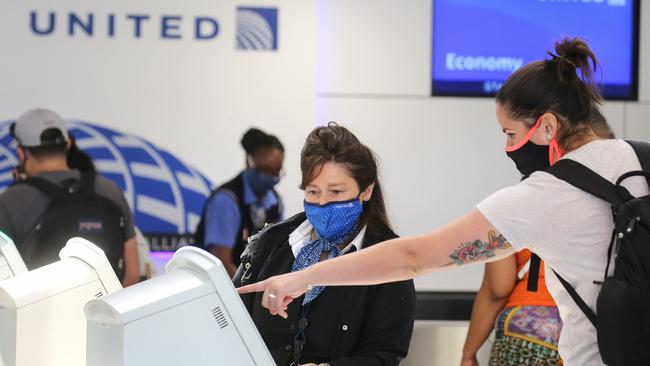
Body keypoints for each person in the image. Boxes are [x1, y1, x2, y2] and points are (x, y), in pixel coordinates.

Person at [237, 38, 645, 366]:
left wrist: (305, 277)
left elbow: (414, 257)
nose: (507, 148)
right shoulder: (641, 159)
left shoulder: (546, 196)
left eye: (509, 133)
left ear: (548, 126)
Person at [235, 122, 415, 366]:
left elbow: (384, 354)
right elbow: (232, 326)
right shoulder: (271, 243)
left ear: (367, 190)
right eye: (313, 192)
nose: (322, 204)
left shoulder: (389, 261)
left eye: (336, 192)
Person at [0, 108, 140, 286]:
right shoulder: (111, 191)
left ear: (22, 153)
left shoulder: (10, 201)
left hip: (41, 312)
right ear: (67, 144)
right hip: (104, 310)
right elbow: (132, 274)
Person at [196, 128, 285, 277]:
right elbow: (220, 260)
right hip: (221, 288)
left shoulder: (276, 202)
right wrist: (242, 296)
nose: (271, 177)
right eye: (265, 170)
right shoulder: (226, 201)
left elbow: (276, 253)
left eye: (276, 172)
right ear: (249, 162)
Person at [461, 250, 562, 366]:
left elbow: (499, 289)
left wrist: (468, 354)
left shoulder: (510, 231)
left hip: (527, 327)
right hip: (581, 326)